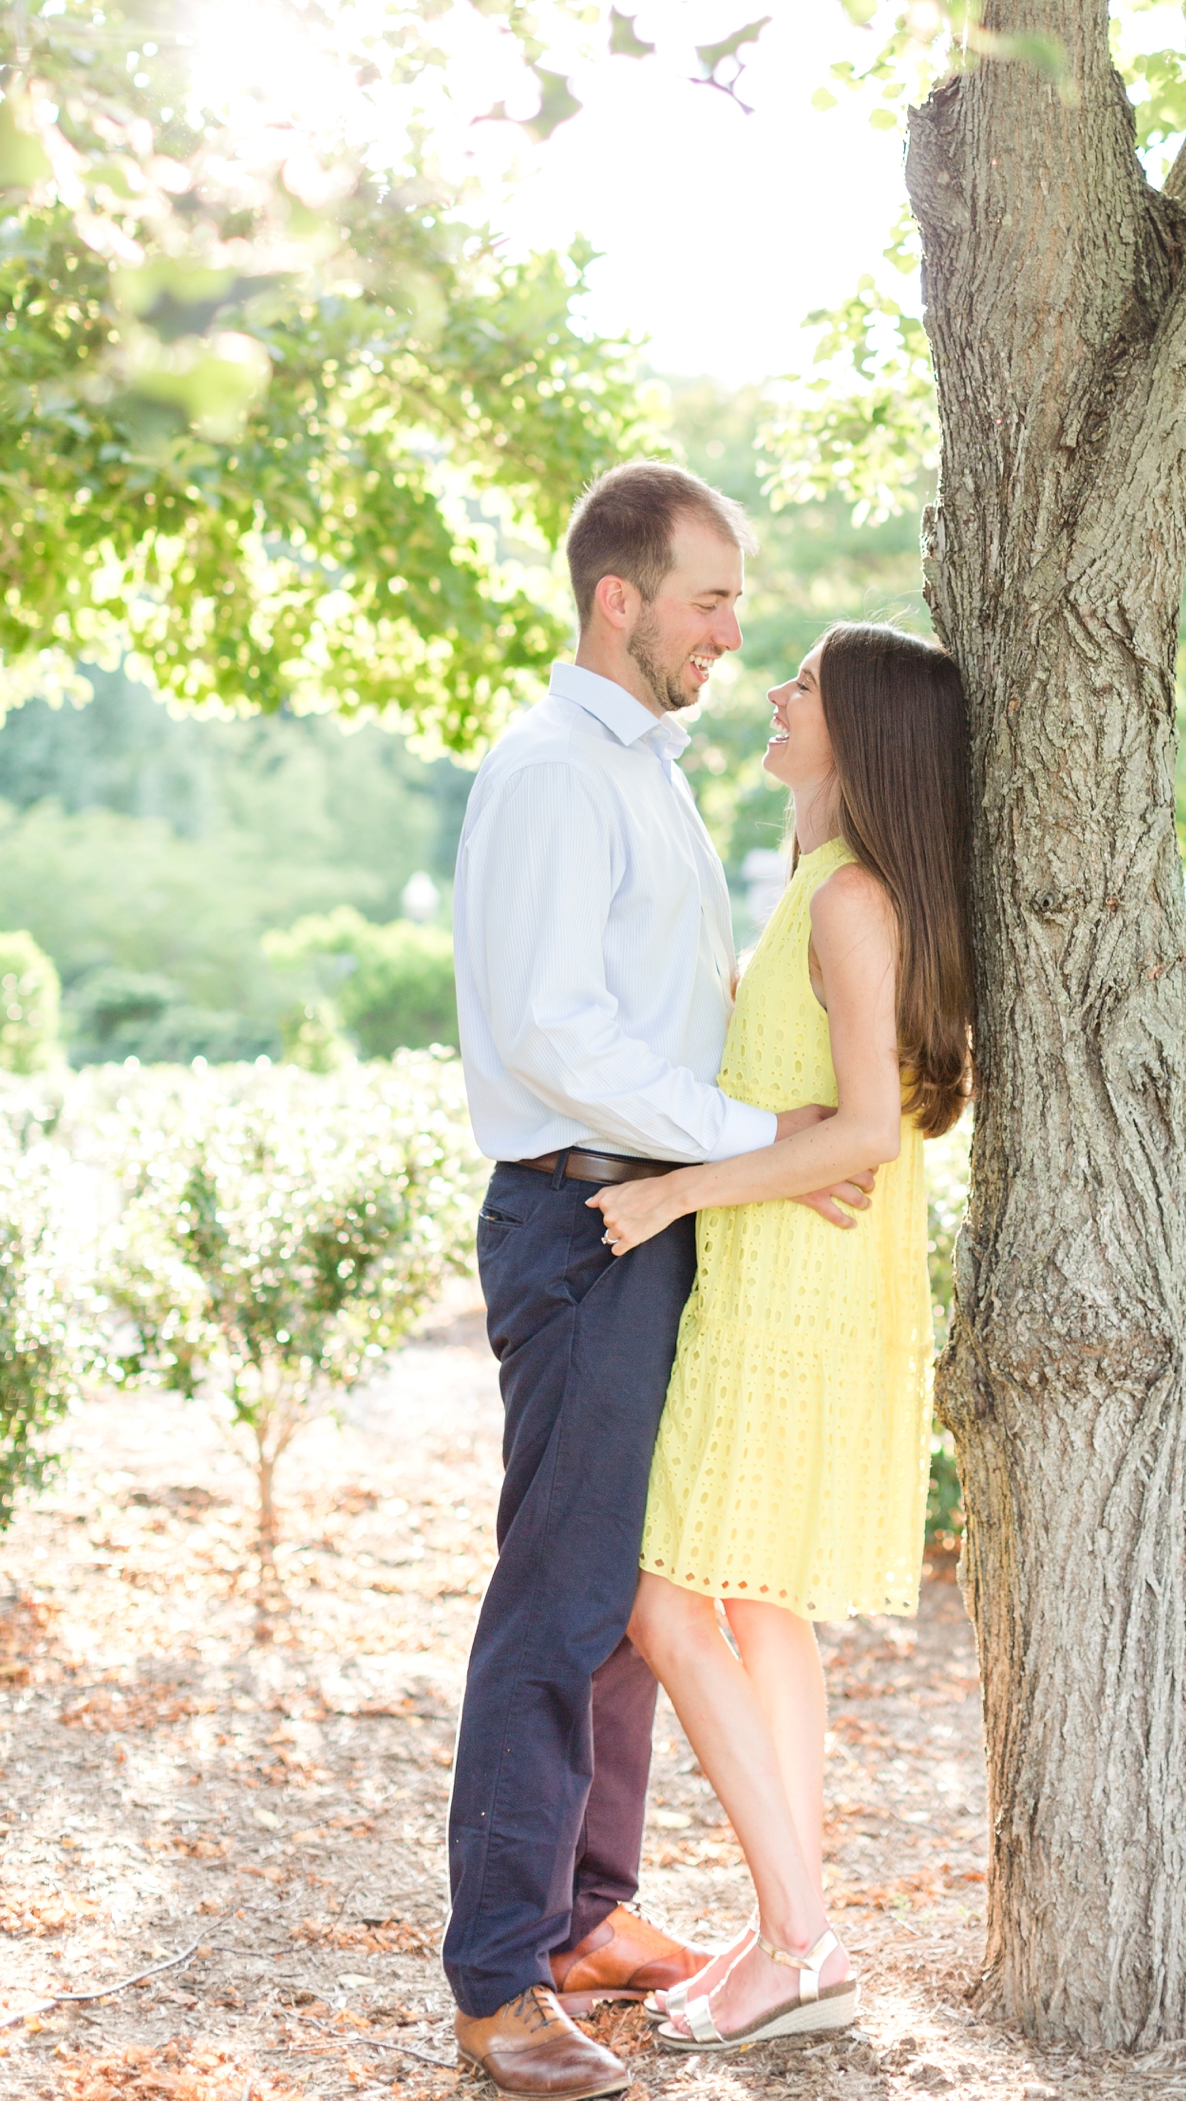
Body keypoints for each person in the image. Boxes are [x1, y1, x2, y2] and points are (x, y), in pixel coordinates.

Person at [445, 461, 876, 2101]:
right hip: (581, 1220)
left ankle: (586, 1913)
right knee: (559, 1600)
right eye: (709, 598)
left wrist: (752, 1167)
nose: (731, 631)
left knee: (635, 1592)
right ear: (618, 599)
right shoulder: (560, 771)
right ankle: (497, 1977)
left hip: (663, 1211)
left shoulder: (653, 772)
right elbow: (560, 1032)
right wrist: (761, 1133)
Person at [588, 619, 976, 2054]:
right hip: (777, 1281)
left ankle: (803, 1940)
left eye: (802, 682)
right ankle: (783, 1927)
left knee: (669, 1602)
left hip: (797, 1300)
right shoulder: (820, 883)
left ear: (859, 731)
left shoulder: (851, 900)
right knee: (756, 1608)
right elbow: (827, 1107)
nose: (773, 691)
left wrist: (669, 1191)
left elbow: (871, 1127)